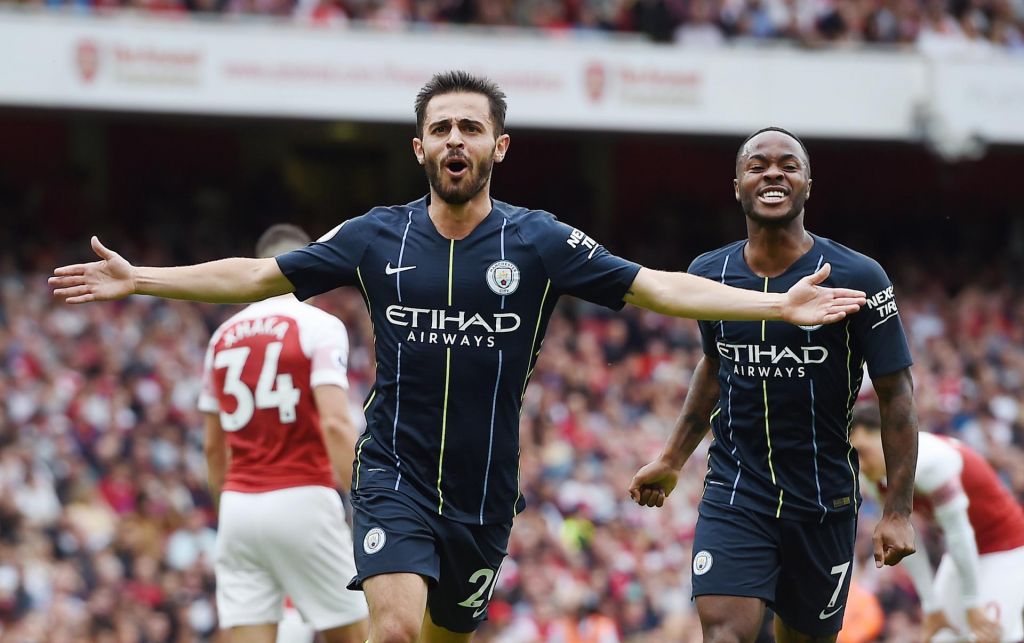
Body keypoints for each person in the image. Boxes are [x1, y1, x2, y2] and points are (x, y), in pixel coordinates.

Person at [51, 72, 867, 643]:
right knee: (395, 628)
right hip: (393, 477)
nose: (455, 139)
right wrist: (140, 280)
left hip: (483, 497)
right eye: (440, 127)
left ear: (498, 146)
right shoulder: (376, 233)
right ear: (418, 148)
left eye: (470, 127)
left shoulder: (539, 238)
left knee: (439, 635)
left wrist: (777, 303)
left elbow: (655, 287)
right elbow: (257, 274)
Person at [629, 127, 919, 643]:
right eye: (757, 164)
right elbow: (715, 367)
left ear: (808, 185)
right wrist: (672, 459)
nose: (772, 174)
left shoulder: (861, 277)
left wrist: (896, 510)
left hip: (823, 502)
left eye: (788, 165)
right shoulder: (708, 274)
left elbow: (897, 396)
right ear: (737, 184)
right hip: (736, 493)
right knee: (724, 634)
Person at [199, 224, 369, 643]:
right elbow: (333, 423)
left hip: (239, 506)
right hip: (302, 497)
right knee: (361, 634)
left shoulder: (222, 337)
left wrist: (230, 510)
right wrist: (366, 504)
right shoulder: (319, 325)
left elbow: (212, 447)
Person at [851, 406, 1024, 643]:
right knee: (941, 638)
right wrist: (931, 604)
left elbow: (959, 532)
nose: (860, 463)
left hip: (1006, 547)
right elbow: (906, 540)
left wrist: (972, 602)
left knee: (988, 636)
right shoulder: (874, 474)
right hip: (962, 553)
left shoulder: (930, 462)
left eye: (863, 451)